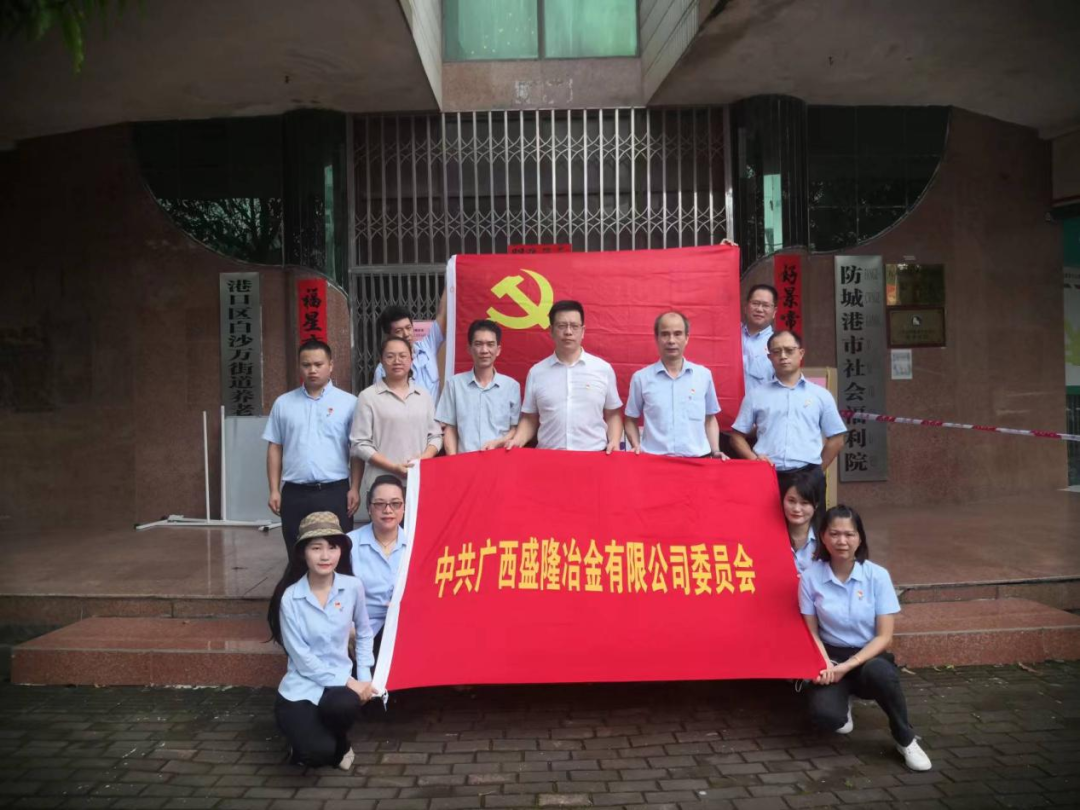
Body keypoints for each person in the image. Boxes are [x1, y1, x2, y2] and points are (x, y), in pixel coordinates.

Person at [800, 505, 932, 772]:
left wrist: (848, 666)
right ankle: (842, 703)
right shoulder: (810, 577)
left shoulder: (877, 576)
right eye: (834, 533)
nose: (842, 541)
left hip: (868, 655)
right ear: (823, 537)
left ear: (860, 538)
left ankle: (905, 738)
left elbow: (884, 637)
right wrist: (824, 662)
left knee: (880, 674)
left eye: (849, 534)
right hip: (831, 655)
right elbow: (811, 630)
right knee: (825, 717)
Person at [267, 511, 376, 770]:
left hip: (337, 691)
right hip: (301, 687)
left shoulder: (353, 587)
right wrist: (349, 681)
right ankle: (302, 738)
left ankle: (341, 740)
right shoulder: (290, 598)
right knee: (314, 756)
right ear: (303, 553)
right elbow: (302, 659)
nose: (325, 556)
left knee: (344, 705)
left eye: (332, 547)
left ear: (341, 551)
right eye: (316, 548)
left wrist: (364, 676)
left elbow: (364, 631)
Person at [263, 339, 362, 554]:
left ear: (331, 365)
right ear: (299, 367)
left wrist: (355, 487)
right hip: (295, 492)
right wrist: (274, 489)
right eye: (306, 365)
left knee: (339, 552)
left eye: (318, 364)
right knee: (297, 553)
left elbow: (356, 450)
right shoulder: (283, 403)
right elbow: (275, 447)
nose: (312, 370)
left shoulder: (349, 403)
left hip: (335, 491)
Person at [730, 330, 846, 508]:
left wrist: (816, 471)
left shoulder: (820, 395)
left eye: (789, 350)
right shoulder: (756, 395)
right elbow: (736, 436)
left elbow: (837, 438)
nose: (783, 356)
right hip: (767, 475)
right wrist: (754, 461)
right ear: (769, 357)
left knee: (811, 525)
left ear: (801, 353)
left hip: (808, 475)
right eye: (776, 352)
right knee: (766, 524)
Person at [509, 300, 622, 452]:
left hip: (593, 456)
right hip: (549, 457)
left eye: (574, 326)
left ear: (583, 331)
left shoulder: (603, 369)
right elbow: (530, 419)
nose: (568, 332)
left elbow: (613, 414)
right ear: (551, 330)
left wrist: (614, 441)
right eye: (561, 326)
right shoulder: (536, 372)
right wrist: (518, 440)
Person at [350, 336, 442, 522]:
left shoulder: (423, 395)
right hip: (381, 485)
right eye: (390, 356)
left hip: (418, 482)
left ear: (411, 359)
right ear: (381, 360)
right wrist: (393, 467)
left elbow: (436, 436)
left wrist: (424, 458)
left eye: (403, 355)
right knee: (385, 535)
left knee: (417, 535)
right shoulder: (368, 397)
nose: (397, 361)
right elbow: (360, 443)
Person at [624, 311, 727, 458]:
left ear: (687, 338)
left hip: (697, 461)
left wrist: (715, 450)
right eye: (665, 334)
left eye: (678, 334)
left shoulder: (703, 376)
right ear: (657, 338)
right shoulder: (641, 378)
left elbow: (710, 419)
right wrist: (636, 446)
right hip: (654, 461)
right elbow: (630, 419)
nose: (671, 340)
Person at [436, 319, 521, 454]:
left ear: (498, 350)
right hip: (465, 461)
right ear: (469, 349)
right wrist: (453, 460)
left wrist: (497, 443)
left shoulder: (511, 387)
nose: (484, 350)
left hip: (500, 460)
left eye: (490, 344)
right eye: (478, 344)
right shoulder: (454, 384)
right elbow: (449, 428)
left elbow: (515, 429)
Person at [347, 475, 407, 663]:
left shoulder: (417, 542)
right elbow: (334, 592)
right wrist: (348, 627)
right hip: (363, 629)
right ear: (369, 508)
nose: (388, 510)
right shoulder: (349, 544)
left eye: (395, 504)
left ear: (404, 508)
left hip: (407, 627)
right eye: (380, 504)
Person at [372, 288, 447, 404]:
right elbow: (380, 404)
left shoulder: (427, 347)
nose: (406, 334)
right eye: (399, 331)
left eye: (408, 328)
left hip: (432, 416)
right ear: (388, 335)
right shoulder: (383, 369)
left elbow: (442, 315)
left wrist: (452, 281)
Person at [742, 284, 778, 394]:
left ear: (774, 312)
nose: (759, 309)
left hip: (762, 403)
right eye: (755, 303)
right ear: (746, 307)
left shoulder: (778, 343)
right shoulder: (730, 335)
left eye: (766, 305)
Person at [783, 470, 819, 575]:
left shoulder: (824, 539)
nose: (796, 509)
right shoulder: (769, 538)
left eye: (804, 503)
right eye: (791, 501)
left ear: (816, 505)